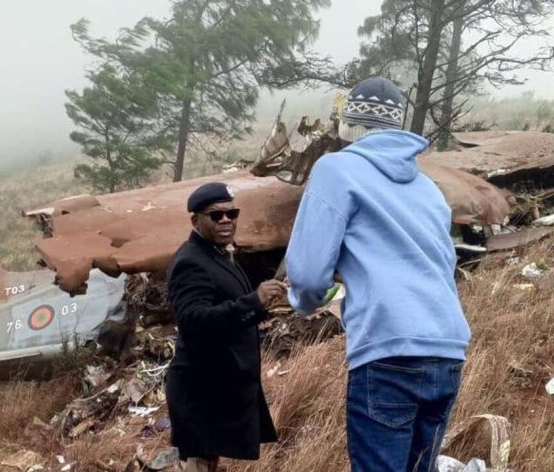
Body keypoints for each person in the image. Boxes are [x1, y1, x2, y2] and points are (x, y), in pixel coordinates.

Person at [284, 77, 471, 472]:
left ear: (350, 123)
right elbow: (446, 263)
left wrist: (303, 302)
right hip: (447, 349)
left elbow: (308, 275)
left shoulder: (336, 169)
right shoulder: (428, 189)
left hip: (389, 349)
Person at [166, 182, 285, 472]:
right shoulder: (191, 262)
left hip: (217, 388)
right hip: (200, 392)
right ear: (195, 220)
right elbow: (194, 321)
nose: (226, 221)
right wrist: (254, 302)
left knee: (208, 463)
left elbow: (226, 309)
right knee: (197, 464)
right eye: (215, 215)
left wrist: (260, 306)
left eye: (231, 214)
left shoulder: (216, 255)